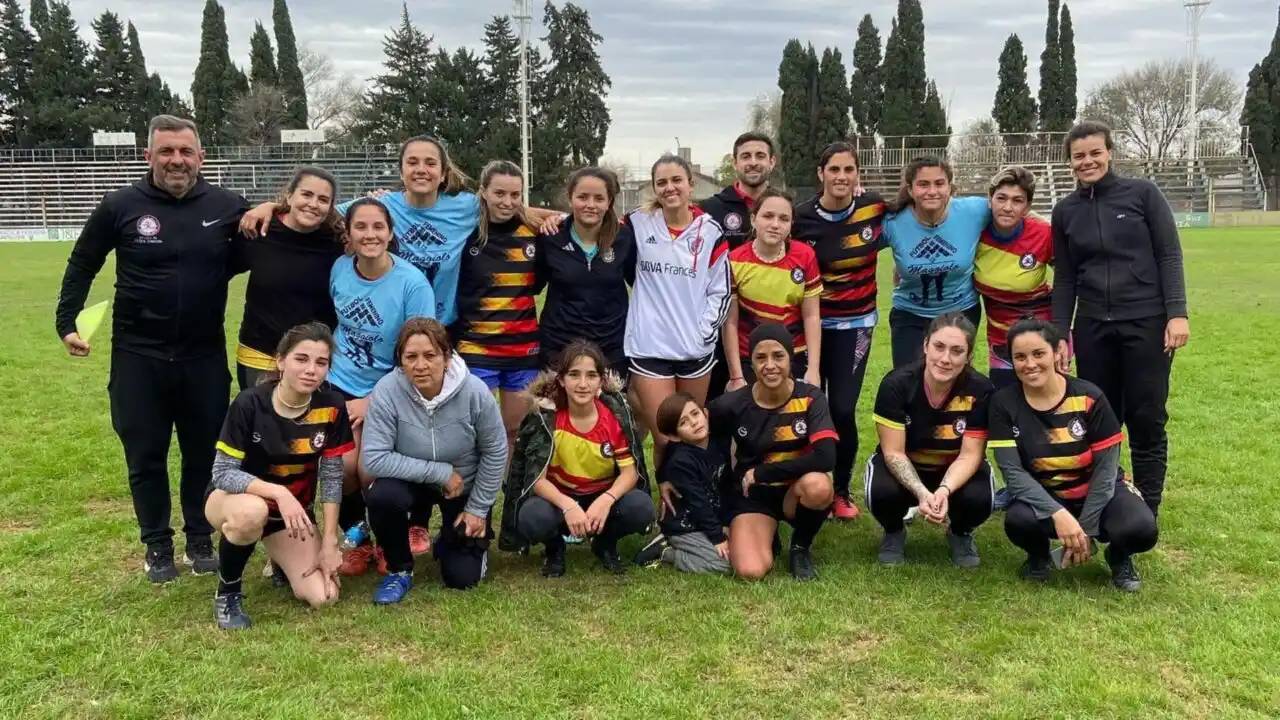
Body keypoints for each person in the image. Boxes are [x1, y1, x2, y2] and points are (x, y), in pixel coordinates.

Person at [54, 114, 249, 583]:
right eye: (166, 151)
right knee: (145, 454)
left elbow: (275, 248)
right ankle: (157, 545)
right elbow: (83, 263)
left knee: (205, 452)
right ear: (149, 156)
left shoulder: (229, 207)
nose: (176, 160)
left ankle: (200, 537)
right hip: (139, 355)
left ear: (201, 157)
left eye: (185, 152)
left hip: (203, 355)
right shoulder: (120, 205)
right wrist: (66, 323)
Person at [240, 135, 560, 325]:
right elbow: (317, 210)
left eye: (430, 163)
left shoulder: (466, 205)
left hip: (447, 328)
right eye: (412, 162)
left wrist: (570, 219)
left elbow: (518, 210)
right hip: (392, 329)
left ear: (443, 171)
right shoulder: (380, 207)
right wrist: (270, 206)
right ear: (402, 169)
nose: (421, 169)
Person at [1051, 120, 1189, 520]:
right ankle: (1108, 495)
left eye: (1095, 152)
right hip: (1093, 326)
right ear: (1070, 162)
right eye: (1079, 155)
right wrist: (1061, 332)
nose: (1088, 161)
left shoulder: (1142, 194)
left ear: (1109, 152)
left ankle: (1148, 505)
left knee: (1146, 415)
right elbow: (1064, 277)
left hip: (1146, 320)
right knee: (1099, 415)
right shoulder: (1065, 211)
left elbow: (1169, 254)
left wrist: (1177, 313)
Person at [205, 322, 354, 629]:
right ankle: (228, 591)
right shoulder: (250, 403)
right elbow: (222, 473)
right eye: (301, 359)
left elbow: (333, 478)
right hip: (234, 501)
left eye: (321, 362)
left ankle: (280, 563)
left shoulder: (332, 406)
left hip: (290, 517)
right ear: (281, 360)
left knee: (324, 596)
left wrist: (329, 542)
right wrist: (278, 492)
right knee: (251, 513)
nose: (311, 369)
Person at [992, 318, 1158, 591]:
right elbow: (1012, 472)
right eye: (1019, 357)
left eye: (1038, 353)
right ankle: (1039, 557)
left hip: (1100, 491)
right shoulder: (1003, 404)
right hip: (1049, 493)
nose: (1030, 364)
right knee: (1019, 521)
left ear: (1057, 352)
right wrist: (1058, 514)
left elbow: (1106, 470)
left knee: (1141, 528)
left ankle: (1118, 557)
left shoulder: (1089, 396)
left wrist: (1086, 530)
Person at [359, 318, 507, 604]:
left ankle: (451, 540)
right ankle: (399, 569)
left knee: (462, 579)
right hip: (413, 482)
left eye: (430, 355)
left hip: (463, 485)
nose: (420, 365)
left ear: (447, 358)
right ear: (400, 360)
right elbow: (375, 458)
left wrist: (477, 509)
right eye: (410, 357)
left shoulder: (475, 392)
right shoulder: (387, 391)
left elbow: (496, 450)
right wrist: (439, 472)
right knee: (382, 496)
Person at [327, 198, 435, 577]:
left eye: (378, 227)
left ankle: (393, 538)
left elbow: (422, 354)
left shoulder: (411, 283)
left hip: (393, 388)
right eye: (361, 227)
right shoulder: (340, 269)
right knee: (341, 466)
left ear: (390, 233)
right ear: (349, 233)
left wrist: (373, 400)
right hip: (339, 383)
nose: (370, 234)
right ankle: (362, 540)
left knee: (372, 468)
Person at [791, 141, 887, 521]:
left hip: (856, 325)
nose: (842, 177)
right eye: (834, 170)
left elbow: (913, 206)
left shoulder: (875, 207)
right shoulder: (800, 218)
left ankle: (841, 491)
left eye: (849, 170)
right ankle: (806, 485)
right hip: (808, 326)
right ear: (821, 174)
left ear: (858, 175)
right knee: (807, 407)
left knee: (843, 409)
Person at [508, 341, 654, 576]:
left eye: (591, 375)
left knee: (640, 507)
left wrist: (606, 500)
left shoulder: (613, 416)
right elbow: (537, 479)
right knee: (532, 516)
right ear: (562, 380)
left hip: (601, 498)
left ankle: (604, 543)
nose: (583, 384)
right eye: (574, 375)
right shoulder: (548, 418)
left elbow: (630, 473)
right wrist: (568, 505)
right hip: (559, 500)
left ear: (601, 382)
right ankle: (554, 548)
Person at [624, 153, 731, 469]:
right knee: (666, 437)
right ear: (654, 188)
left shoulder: (710, 231)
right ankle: (667, 510)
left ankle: (693, 504)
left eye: (676, 180)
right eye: (662, 182)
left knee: (692, 434)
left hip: (694, 352)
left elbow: (721, 291)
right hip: (649, 348)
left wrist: (703, 333)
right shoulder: (637, 223)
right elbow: (588, 217)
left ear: (690, 184)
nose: (669, 188)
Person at [708, 323, 837, 581]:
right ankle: (765, 532)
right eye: (760, 357)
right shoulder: (731, 405)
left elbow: (826, 457)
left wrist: (763, 472)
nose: (770, 365)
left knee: (819, 486)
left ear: (790, 358)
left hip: (794, 491)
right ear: (751, 363)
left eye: (778, 356)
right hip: (753, 495)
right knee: (750, 571)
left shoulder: (811, 397)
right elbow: (709, 453)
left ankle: (800, 547)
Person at [866, 313, 995, 567]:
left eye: (957, 351)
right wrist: (923, 493)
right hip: (908, 466)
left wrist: (944, 489)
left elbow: (970, 455)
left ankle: (960, 533)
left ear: (968, 356)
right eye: (939, 347)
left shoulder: (981, 390)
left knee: (979, 497)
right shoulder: (896, 385)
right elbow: (893, 453)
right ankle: (893, 531)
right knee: (881, 491)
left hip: (953, 468)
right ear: (925, 346)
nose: (945, 359)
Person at [454, 161, 541, 471]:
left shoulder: (533, 233)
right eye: (499, 193)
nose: (507, 202)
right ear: (483, 193)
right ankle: (480, 511)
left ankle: (513, 502)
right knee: (478, 434)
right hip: (477, 350)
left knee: (517, 432)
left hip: (524, 352)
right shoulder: (466, 232)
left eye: (515, 194)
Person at [231, 166, 345, 391]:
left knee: (312, 426)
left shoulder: (337, 240)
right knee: (261, 425)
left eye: (323, 199)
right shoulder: (259, 229)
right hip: (260, 356)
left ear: (331, 207)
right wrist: (268, 207)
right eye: (306, 194)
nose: (313, 204)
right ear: (289, 196)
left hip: (314, 362)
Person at [883, 156, 989, 369]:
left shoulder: (975, 211)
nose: (932, 191)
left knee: (955, 380)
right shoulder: (891, 222)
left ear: (950, 187)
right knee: (909, 382)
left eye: (939, 183)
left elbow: (1015, 215)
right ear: (911, 190)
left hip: (961, 311)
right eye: (923, 184)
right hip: (910, 314)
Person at [535, 167, 636, 377]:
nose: (591, 205)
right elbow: (534, 285)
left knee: (610, 409)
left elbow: (639, 283)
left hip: (611, 348)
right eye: (582, 197)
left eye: (599, 198)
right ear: (570, 198)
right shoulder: (551, 236)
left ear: (609, 202)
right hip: (559, 346)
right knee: (559, 409)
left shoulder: (625, 237)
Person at [701, 132, 779, 406]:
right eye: (746, 156)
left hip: (769, 326)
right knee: (716, 406)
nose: (753, 163)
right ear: (735, 163)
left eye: (760, 156)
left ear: (772, 162)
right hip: (718, 327)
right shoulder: (710, 209)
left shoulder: (784, 208)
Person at [723, 189, 822, 387]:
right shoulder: (734, 260)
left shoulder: (805, 256)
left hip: (795, 355)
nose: (775, 224)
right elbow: (730, 322)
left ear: (791, 224)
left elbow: (811, 316)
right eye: (768, 216)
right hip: (750, 357)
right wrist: (736, 376)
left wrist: (813, 369)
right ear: (753, 219)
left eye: (784, 219)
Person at [632, 392, 731, 574]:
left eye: (695, 414)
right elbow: (698, 502)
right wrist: (718, 537)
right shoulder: (681, 462)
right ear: (675, 436)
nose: (694, 422)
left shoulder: (718, 442)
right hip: (685, 526)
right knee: (724, 564)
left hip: (711, 518)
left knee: (742, 551)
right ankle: (666, 551)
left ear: (705, 413)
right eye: (683, 422)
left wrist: (725, 523)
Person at [974, 166, 1054, 391]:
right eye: (1001, 198)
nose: (1007, 207)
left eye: (1017, 200)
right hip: (1001, 344)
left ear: (1027, 207)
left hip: (1043, 339)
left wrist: (1060, 337)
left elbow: (1070, 280)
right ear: (990, 200)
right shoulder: (975, 232)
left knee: (1046, 411)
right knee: (1006, 410)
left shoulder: (1044, 234)